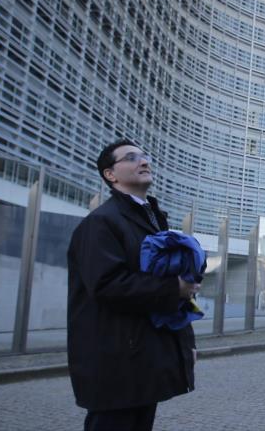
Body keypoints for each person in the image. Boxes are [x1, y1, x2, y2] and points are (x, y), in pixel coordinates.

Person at [67, 139, 200, 431]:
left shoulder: (151, 220)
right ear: (110, 175)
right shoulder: (101, 223)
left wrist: (186, 339)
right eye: (131, 158)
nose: (143, 161)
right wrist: (173, 289)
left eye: (144, 156)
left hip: (140, 359)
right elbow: (107, 285)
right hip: (115, 362)